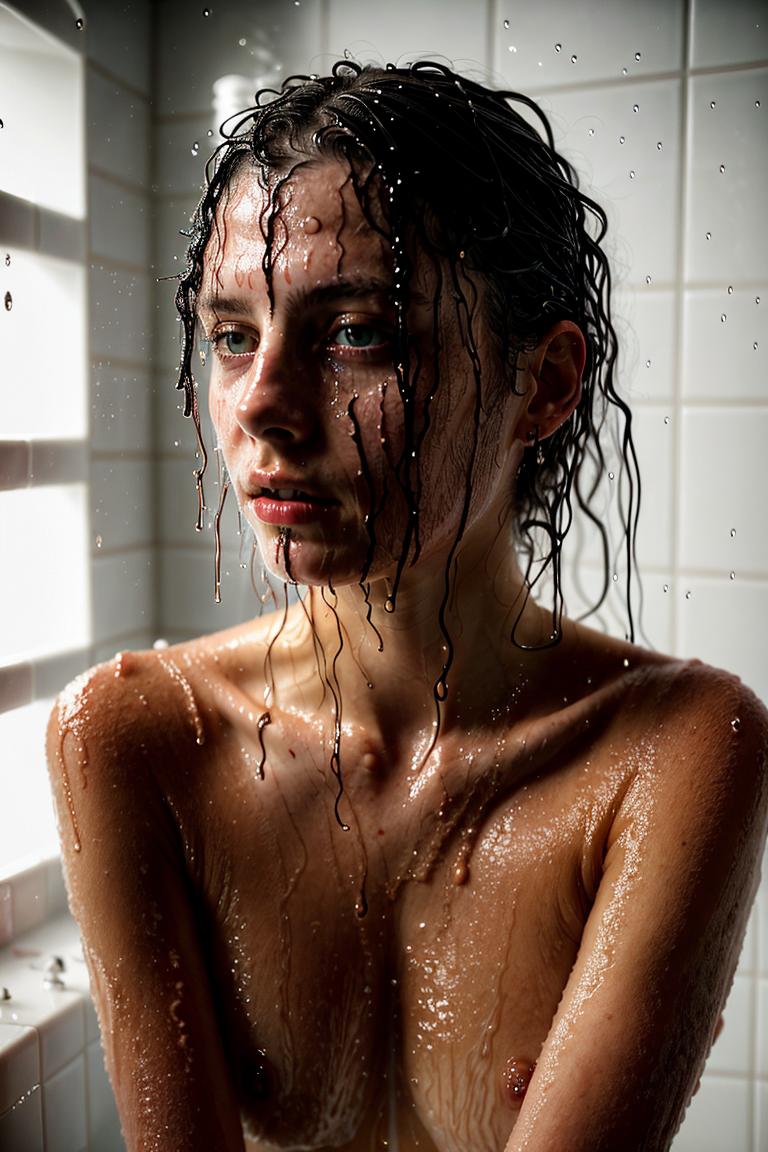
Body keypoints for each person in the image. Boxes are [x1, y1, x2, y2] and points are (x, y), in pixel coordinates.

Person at [48, 60, 768, 1152]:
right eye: (233, 335)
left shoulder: (673, 754)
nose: (262, 408)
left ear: (546, 384)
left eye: (357, 335)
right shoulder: (132, 739)